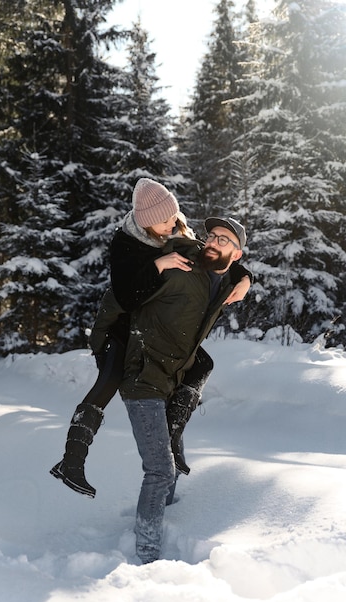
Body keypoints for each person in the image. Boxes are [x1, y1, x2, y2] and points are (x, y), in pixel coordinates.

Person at [50, 178, 252, 499]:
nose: (173, 223)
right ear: (146, 223)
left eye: (174, 216)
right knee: (109, 381)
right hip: (120, 328)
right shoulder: (127, 244)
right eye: (165, 220)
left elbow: (211, 255)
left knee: (201, 362)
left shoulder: (175, 226)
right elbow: (125, 296)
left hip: (146, 326)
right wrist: (159, 263)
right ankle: (71, 460)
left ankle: (173, 437)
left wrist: (243, 276)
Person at [119, 213, 250, 564]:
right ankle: (146, 555)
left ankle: (167, 513)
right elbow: (134, 265)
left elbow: (232, 271)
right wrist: (158, 260)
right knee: (160, 468)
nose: (212, 242)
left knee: (172, 458)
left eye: (224, 240)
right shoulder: (181, 258)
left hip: (173, 377)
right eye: (211, 236)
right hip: (141, 375)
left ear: (236, 254)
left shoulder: (224, 282)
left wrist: (246, 277)